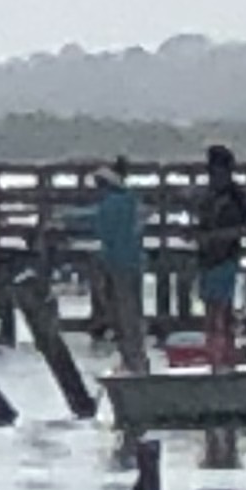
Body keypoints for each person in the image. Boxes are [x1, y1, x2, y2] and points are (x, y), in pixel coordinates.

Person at [84, 158, 152, 370]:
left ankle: (132, 359)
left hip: (116, 262)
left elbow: (99, 228)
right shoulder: (131, 201)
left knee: (122, 313)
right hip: (132, 261)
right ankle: (136, 358)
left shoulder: (109, 205)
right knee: (131, 312)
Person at [191, 143, 246, 364]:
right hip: (207, 258)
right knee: (209, 309)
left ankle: (226, 350)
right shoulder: (207, 196)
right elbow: (199, 224)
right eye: (211, 170)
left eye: (218, 170)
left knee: (223, 309)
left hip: (227, 257)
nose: (214, 175)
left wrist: (218, 236)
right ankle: (213, 352)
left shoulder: (237, 197)